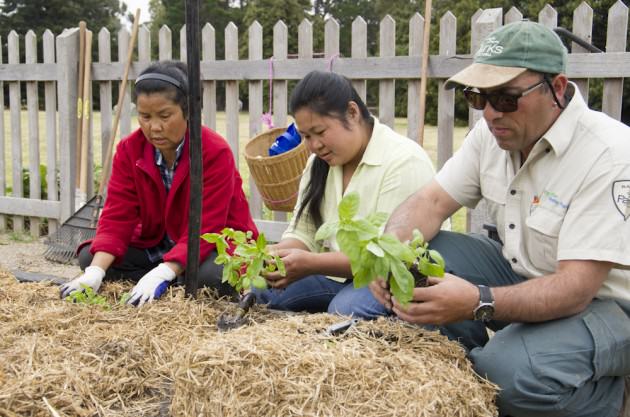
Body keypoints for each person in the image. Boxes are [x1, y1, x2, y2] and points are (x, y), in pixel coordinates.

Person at [368, 21, 630, 417]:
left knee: (507, 375)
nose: (490, 113)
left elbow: (577, 288)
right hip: (529, 277)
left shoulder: (609, 154)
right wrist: (389, 253)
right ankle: (481, 379)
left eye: (506, 98)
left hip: (608, 305)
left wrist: (478, 302)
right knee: (423, 257)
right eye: (479, 98)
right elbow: (431, 202)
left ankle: (610, 397)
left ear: (556, 88)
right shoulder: (493, 135)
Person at [60, 60, 258, 306]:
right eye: (144, 116)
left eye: (165, 115)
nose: (154, 127)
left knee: (212, 276)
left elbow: (207, 227)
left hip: (212, 242)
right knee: (91, 258)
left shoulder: (214, 152)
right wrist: (95, 272)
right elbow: (117, 215)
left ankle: (166, 276)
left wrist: (164, 270)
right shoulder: (129, 150)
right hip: (159, 241)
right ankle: (170, 278)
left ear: (188, 111)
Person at [253, 70, 440, 317]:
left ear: (352, 113)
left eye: (320, 132)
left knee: (348, 309)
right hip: (336, 276)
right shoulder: (318, 163)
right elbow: (303, 232)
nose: (314, 145)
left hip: (388, 278)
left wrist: (309, 264)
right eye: (306, 136)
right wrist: (279, 257)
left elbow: (385, 258)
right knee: (259, 292)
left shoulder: (403, 161)